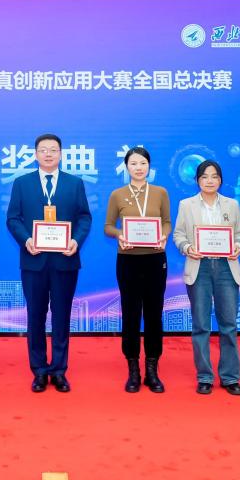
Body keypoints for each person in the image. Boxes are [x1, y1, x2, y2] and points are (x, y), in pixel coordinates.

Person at [6, 133, 92, 393]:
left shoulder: (74, 183)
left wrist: (76, 241)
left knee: (62, 317)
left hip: (65, 261)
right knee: (35, 317)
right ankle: (39, 371)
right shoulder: (22, 183)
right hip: (33, 261)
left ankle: (59, 370)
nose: (48, 154)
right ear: (35, 154)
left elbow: (84, 218)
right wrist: (26, 240)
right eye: (43, 150)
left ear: (61, 154)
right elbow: (13, 218)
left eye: (53, 150)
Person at [174, 160, 240, 396]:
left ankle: (230, 377)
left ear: (221, 180)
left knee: (229, 325)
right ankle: (204, 376)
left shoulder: (232, 205)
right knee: (201, 326)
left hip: (226, 267)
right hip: (200, 267)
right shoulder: (186, 205)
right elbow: (178, 234)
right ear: (197, 180)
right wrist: (187, 248)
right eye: (205, 177)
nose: (210, 181)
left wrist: (237, 246)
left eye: (214, 176)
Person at [104, 147, 171, 393]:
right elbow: (108, 226)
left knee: (154, 314)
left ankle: (152, 369)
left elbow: (167, 222)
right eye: (133, 163)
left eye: (143, 163)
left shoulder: (160, 192)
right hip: (128, 260)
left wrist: (164, 235)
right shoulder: (117, 194)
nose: (138, 168)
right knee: (131, 315)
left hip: (155, 260)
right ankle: (133, 369)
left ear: (149, 166)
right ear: (127, 167)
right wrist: (120, 234)